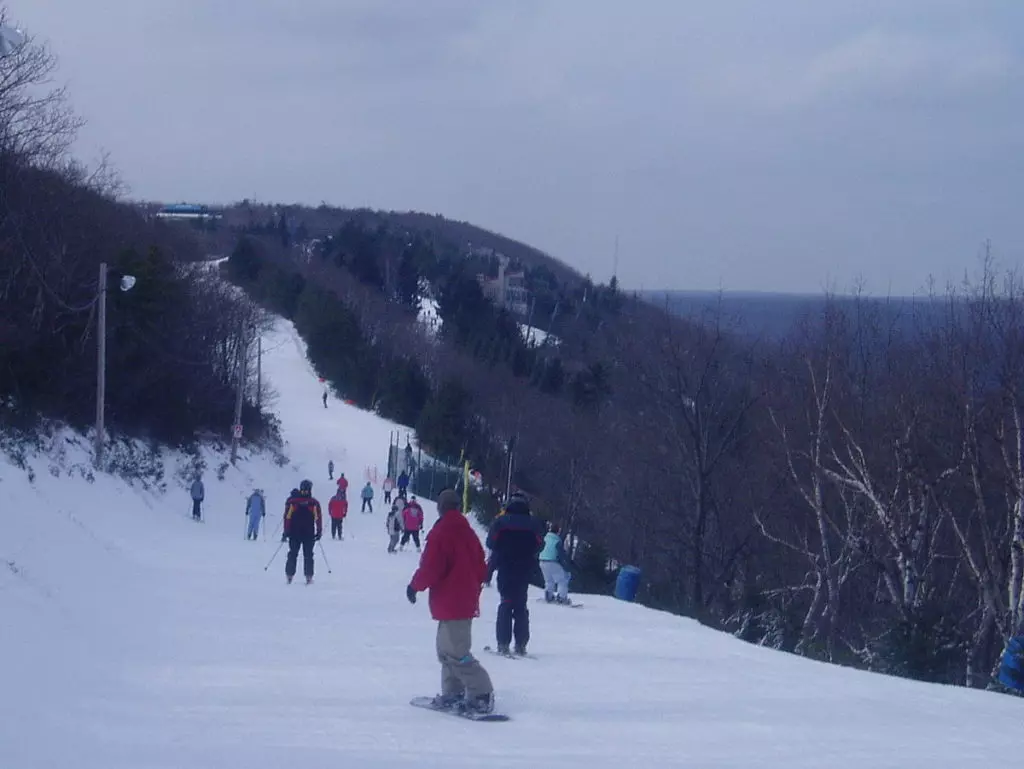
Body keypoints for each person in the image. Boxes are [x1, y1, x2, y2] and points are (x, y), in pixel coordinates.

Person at [406, 489, 494, 715]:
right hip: (461, 601)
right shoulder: (468, 533)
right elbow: (482, 568)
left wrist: (415, 586)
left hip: (451, 601)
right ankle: (453, 692)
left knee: (455, 652)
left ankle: (481, 693)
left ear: (440, 507)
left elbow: (431, 567)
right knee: (446, 651)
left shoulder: (442, 533)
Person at [485, 491, 543, 656]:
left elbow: (491, 543)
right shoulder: (533, 523)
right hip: (525, 568)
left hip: (506, 566)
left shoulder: (501, 522)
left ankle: (503, 642)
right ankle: (521, 644)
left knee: (506, 602)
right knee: (521, 605)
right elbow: (540, 544)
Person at [282, 480, 323, 584]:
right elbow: (318, 518)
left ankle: (289, 575)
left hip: (294, 533)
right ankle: (308, 577)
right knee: (308, 555)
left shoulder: (293, 502)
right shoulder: (313, 503)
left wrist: (286, 530)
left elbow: (287, 517)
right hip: (308, 533)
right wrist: (319, 531)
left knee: (292, 554)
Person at [539, 522, 572, 603]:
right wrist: (566, 565)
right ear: (558, 531)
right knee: (562, 580)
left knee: (549, 580)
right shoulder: (557, 540)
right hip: (552, 561)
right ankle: (562, 598)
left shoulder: (545, 538)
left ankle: (548, 596)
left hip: (542, 561)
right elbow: (560, 554)